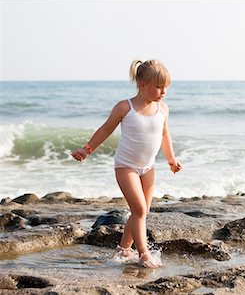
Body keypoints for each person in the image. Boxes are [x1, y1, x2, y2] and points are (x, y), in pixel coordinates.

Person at [71, 59, 182, 268]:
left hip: (148, 167)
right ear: (142, 84)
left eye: (165, 86)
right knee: (139, 209)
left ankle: (124, 250)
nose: (163, 91)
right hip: (126, 166)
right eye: (158, 86)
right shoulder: (125, 107)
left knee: (142, 211)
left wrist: (171, 160)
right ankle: (144, 254)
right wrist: (87, 150)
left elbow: (165, 135)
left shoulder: (162, 109)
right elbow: (105, 129)